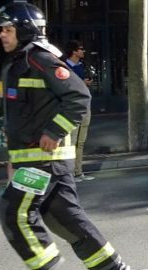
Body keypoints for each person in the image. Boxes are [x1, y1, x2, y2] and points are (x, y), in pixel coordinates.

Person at [0, 1, 128, 270]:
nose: (1, 35)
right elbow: (25, 108)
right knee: (62, 215)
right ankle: (109, 265)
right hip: (31, 158)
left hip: (43, 159)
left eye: (6, 29)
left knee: (14, 212)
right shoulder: (17, 62)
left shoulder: (40, 59)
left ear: (24, 30)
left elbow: (78, 97)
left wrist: (53, 131)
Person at [64, 39, 94, 182]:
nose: (83, 51)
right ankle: (70, 173)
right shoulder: (64, 67)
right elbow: (65, 86)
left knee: (81, 142)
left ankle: (78, 171)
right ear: (74, 51)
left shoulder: (81, 66)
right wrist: (82, 83)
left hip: (85, 105)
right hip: (73, 107)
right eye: (81, 48)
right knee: (72, 141)